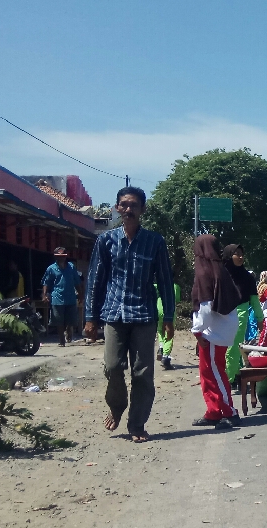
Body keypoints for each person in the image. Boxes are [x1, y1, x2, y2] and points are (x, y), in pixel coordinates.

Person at [84, 186, 174, 443]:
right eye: (124, 204)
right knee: (112, 367)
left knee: (142, 374)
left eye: (134, 205)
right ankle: (117, 405)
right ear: (117, 208)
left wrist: (168, 317)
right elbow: (94, 281)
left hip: (144, 316)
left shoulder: (155, 241)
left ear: (142, 209)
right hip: (113, 314)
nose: (128, 209)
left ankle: (136, 424)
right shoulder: (106, 241)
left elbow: (166, 281)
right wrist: (90, 318)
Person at [190, 235, 243, 429]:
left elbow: (205, 306)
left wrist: (197, 331)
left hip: (213, 332)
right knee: (207, 373)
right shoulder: (219, 269)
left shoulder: (205, 272)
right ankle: (213, 411)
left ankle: (229, 411)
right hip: (219, 330)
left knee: (215, 372)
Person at [222, 244, 261, 386]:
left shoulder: (247, 277)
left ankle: (227, 380)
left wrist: (260, 318)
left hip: (240, 315)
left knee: (231, 349)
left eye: (242, 254)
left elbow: (254, 300)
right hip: (221, 316)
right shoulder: (221, 275)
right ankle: (238, 374)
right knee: (229, 348)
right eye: (236, 253)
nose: (240, 257)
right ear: (228, 255)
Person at [41, 247, 82, 346]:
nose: (61, 258)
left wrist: (81, 294)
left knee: (71, 320)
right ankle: (61, 341)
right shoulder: (51, 268)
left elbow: (77, 282)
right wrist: (45, 294)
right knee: (58, 321)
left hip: (71, 297)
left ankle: (68, 330)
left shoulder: (71, 267)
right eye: (59, 256)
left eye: (63, 256)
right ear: (55, 257)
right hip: (57, 298)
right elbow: (46, 282)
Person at [155, 282, 181, 369]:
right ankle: (165, 356)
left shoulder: (157, 285)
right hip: (169, 310)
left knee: (160, 330)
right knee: (169, 333)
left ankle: (161, 347)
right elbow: (177, 299)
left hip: (158, 309)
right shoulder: (175, 286)